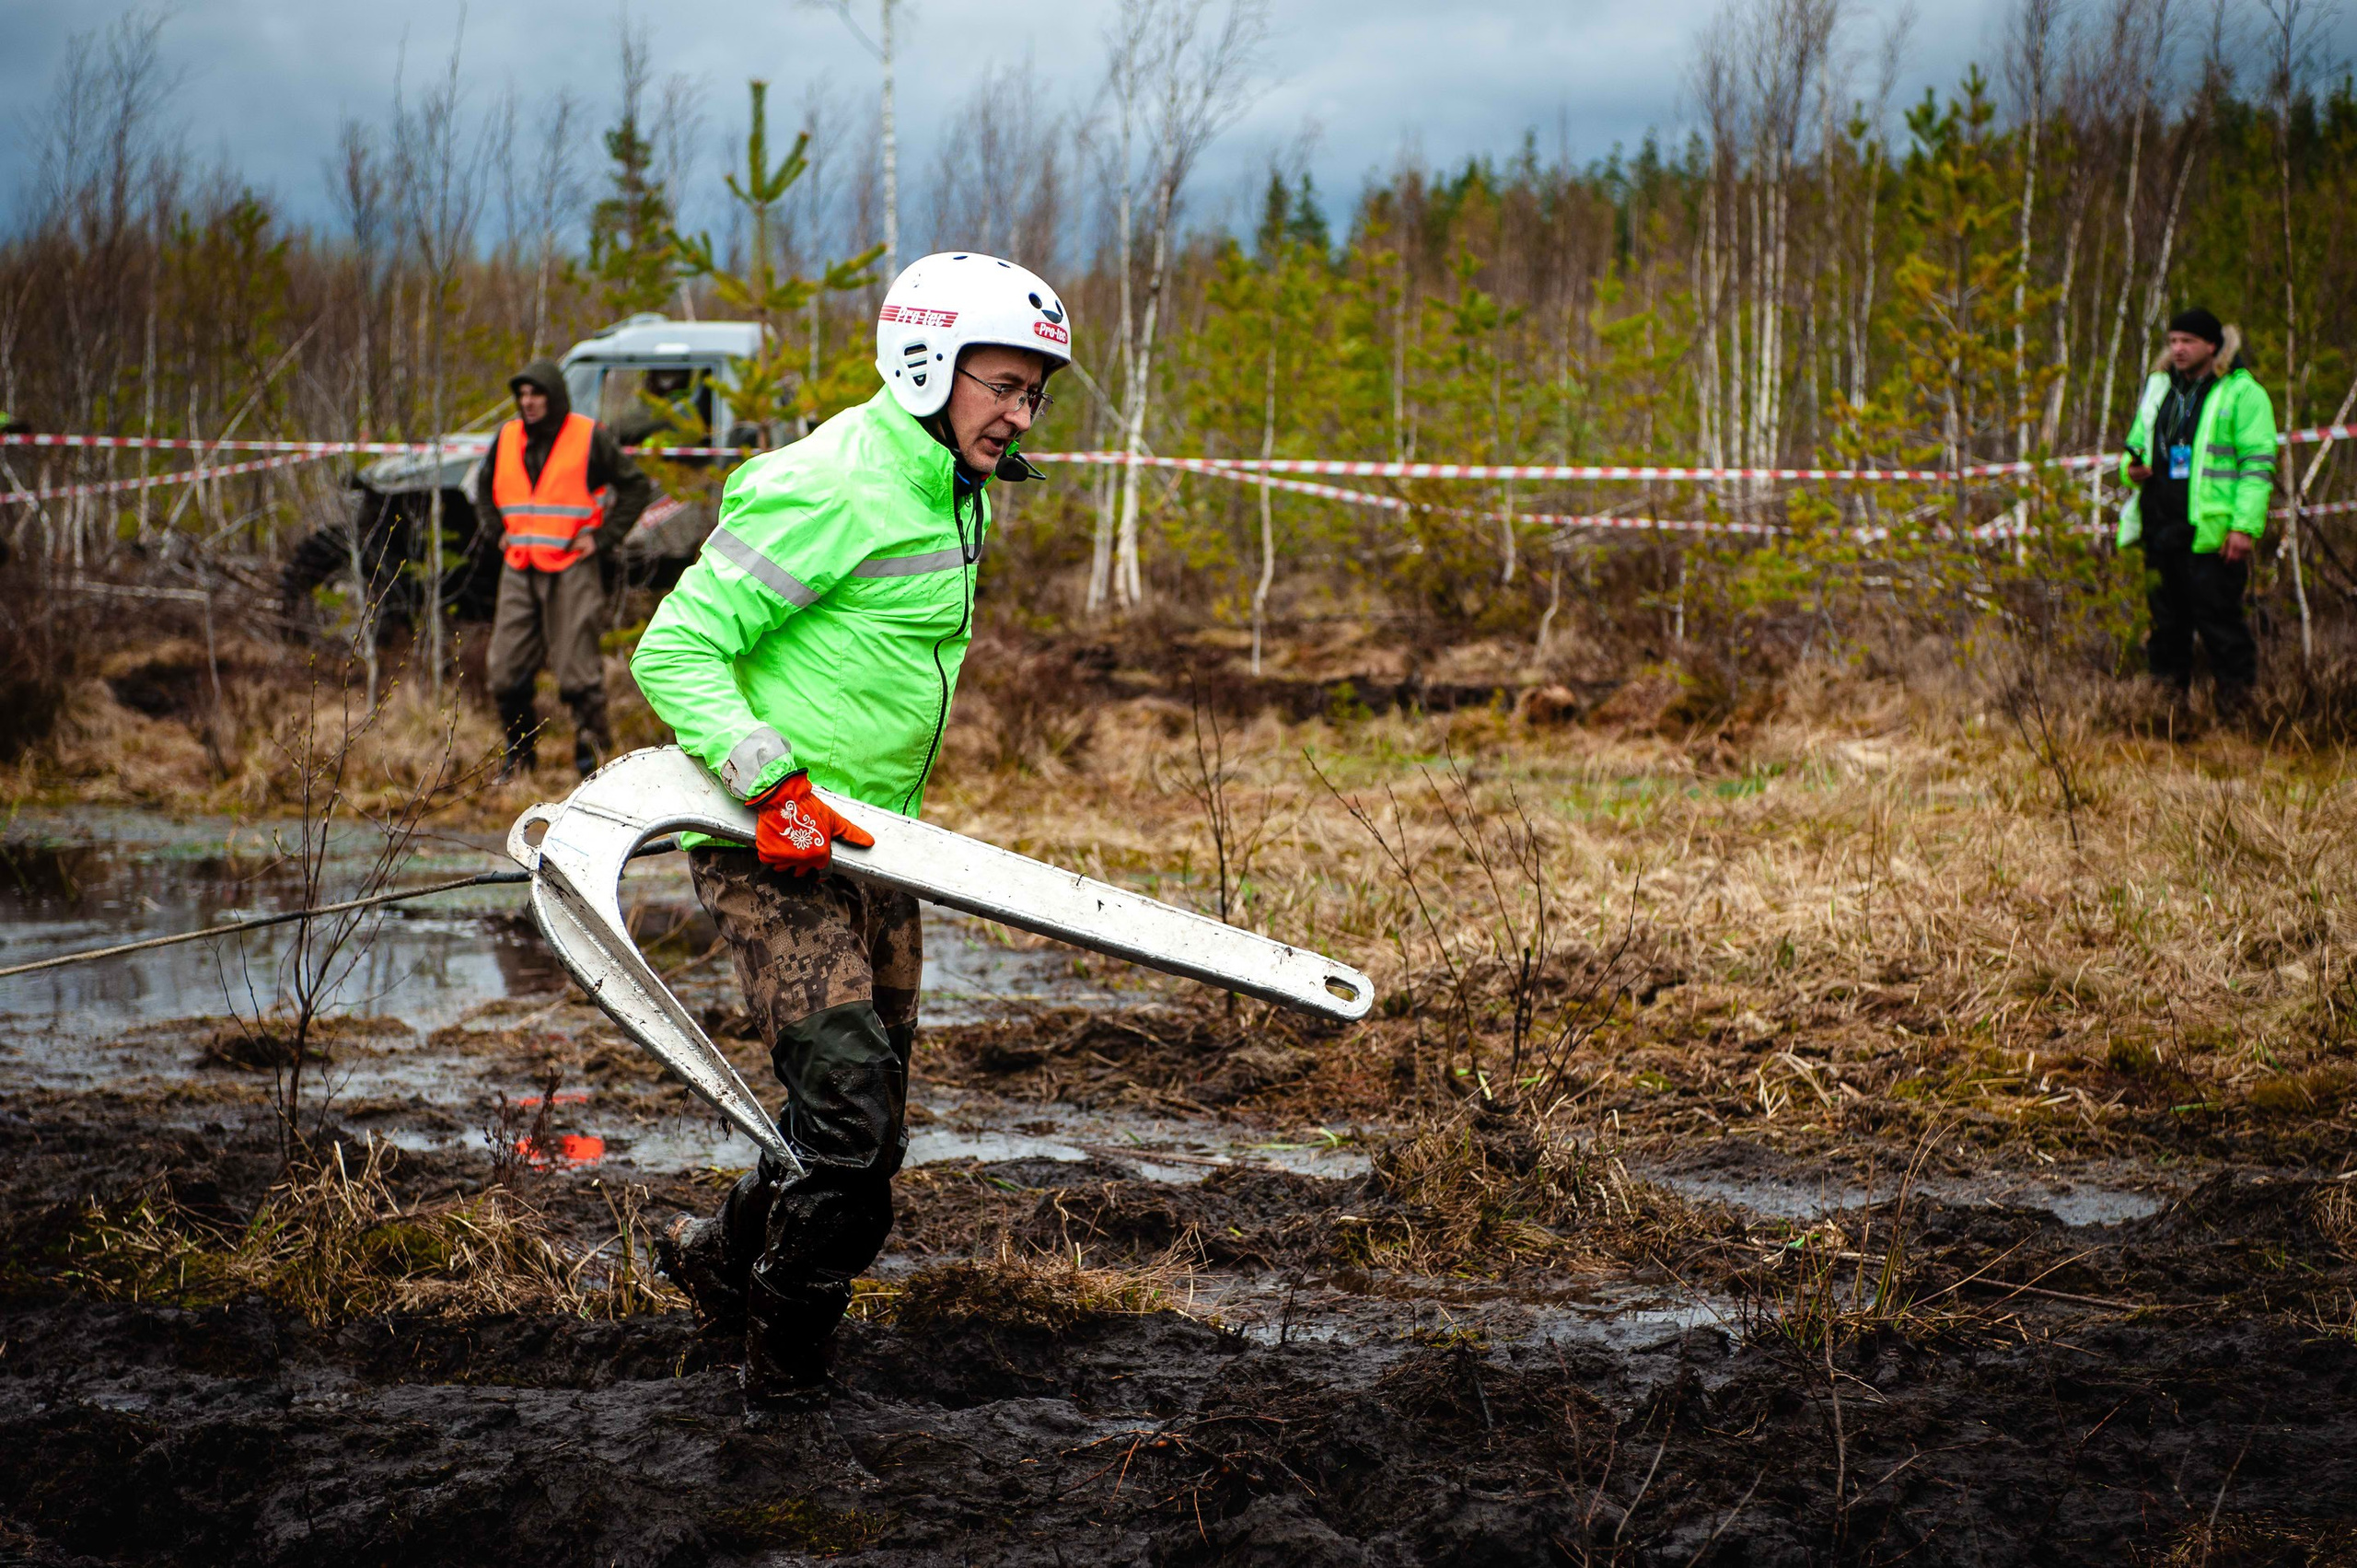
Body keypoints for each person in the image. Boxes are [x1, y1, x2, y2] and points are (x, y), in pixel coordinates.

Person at [633, 252, 1067, 1415]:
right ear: (928, 363)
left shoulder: (954, 485)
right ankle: (781, 1384)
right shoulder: (835, 482)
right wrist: (768, 781)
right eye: (1004, 385)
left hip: (875, 847)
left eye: (1036, 393)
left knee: (856, 1130)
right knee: (850, 1121)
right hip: (768, 836)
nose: (1020, 413)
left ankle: (720, 1261)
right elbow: (674, 651)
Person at [476, 359, 653, 780]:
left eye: (536, 394)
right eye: (522, 395)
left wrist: (602, 538)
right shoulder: (506, 437)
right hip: (519, 565)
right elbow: (484, 487)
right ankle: (519, 755)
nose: (528, 402)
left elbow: (636, 486)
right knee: (504, 671)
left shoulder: (587, 436)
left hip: (573, 566)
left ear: (554, 398)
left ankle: (591, 755)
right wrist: (495, 529)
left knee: (578, 673)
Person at [2116, 308, 2278, 713]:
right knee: (2167, 631)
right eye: (2172, 341)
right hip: (2160, 528)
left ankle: (2238, 715)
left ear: (2212, 345)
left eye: (2187, 341)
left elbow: (2257, 466)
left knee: (2220, 626)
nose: (2178, 349)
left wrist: (2244, 527)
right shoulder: (2159, 387)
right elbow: (2134, 442)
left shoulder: (2241, 393)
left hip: (2211, 535)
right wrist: (2130, 469)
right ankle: (2167, 716)